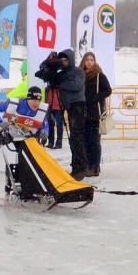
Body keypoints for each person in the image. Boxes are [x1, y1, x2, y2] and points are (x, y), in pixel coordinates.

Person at [0, 87, 49, 195]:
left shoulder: (41, 110)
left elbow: (44, 125)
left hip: (22, 137)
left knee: (29, 160)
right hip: (4, 132)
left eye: (39, 101)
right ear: (27, 98)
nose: (36, 104)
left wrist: (44, 133)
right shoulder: (15, 103)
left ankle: (26, 187)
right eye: (34, 100)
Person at [35, 49, 88, 181]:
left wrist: (61, 83)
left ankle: (81, 167)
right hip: (68, 106)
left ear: (70, 60)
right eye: (61, 61)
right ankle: (76, 165)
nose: (63, 63)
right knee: (72, 139)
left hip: (78, 105)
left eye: (65, 60)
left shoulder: (78, 71)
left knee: (77, 138)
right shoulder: (60, 73)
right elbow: (40, 74)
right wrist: (48, 64)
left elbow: (76, 85)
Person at [80, 52, 112, 177]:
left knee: (94, 141)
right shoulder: (80, 74)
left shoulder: (99, 75)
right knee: (85, 141)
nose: (89, 62)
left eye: (91, 60)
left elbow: (108, 90)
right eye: (87, 59)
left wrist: (96, 97)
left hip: (95, 113)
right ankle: (87, 165)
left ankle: (95, 166)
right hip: (83, 112)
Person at [45, 79, 64, 150]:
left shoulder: (60, 85)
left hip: (58, 107)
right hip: (50, 106)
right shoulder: (48, 87)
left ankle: (58, 143)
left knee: (59, 125)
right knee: (50, 124)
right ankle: (51, 142)